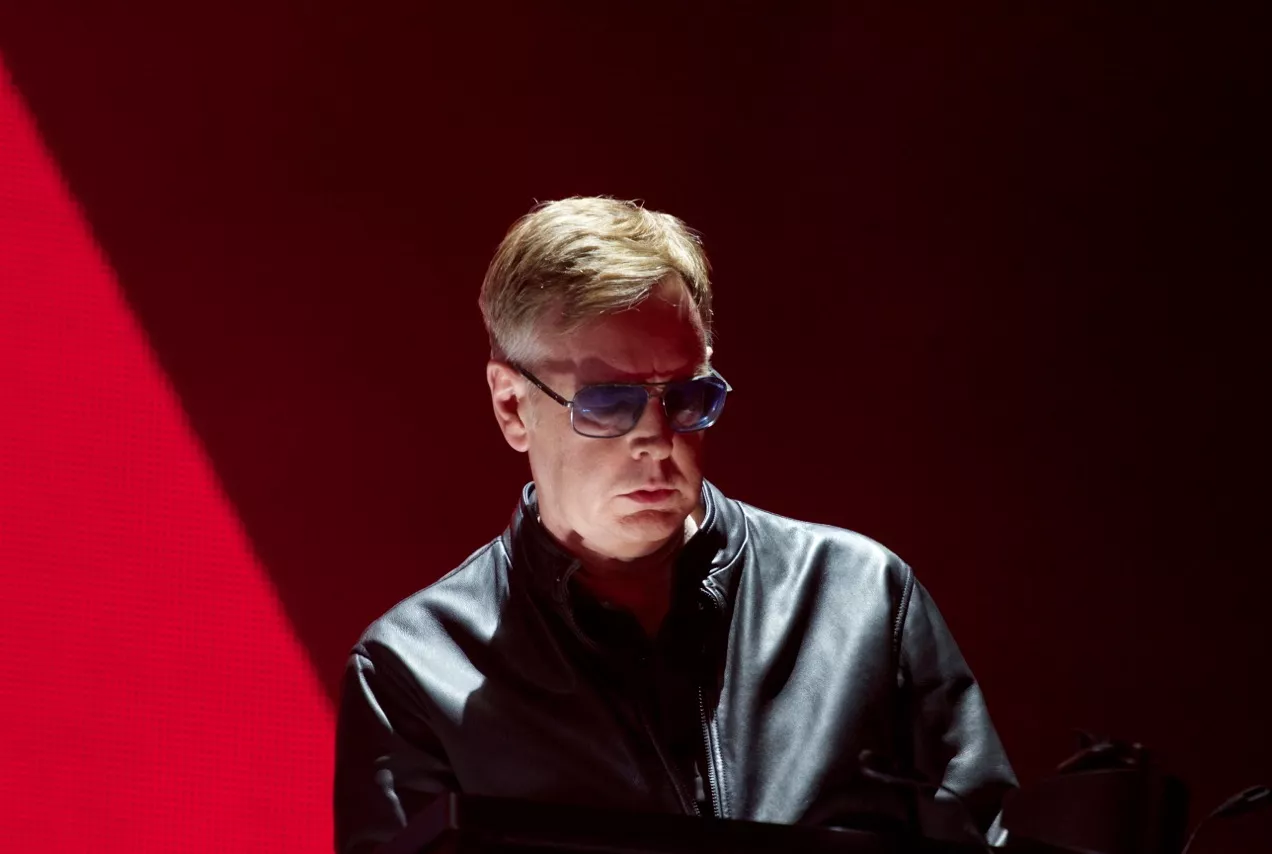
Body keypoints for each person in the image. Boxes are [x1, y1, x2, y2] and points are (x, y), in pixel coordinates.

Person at [333, 197, 1016, 853]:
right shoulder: (414, 670)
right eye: (609, 403)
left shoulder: (862, 599)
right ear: (511, 405)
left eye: (687, 397)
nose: (658, 441)